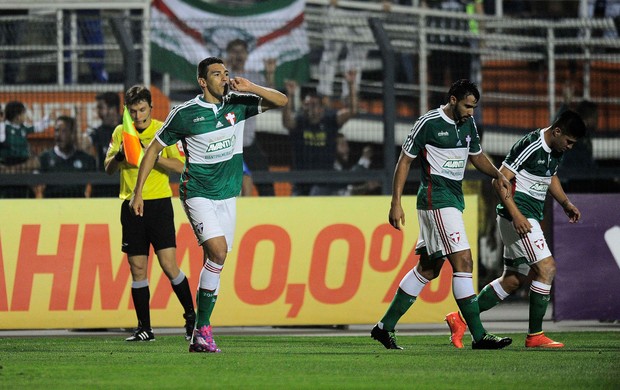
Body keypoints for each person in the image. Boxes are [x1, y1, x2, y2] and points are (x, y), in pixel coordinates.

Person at [129, 57, 287, 353]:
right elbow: (153, 150)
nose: (224, 78)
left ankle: (199, 331)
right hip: (198, 192)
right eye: (217, 74)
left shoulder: (238, 103)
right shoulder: (185, 114)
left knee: (217, 260)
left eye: (225, 73)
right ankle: (202, 329)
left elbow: (282, 100)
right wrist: (138, 191)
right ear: (202, 81)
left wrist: (251, 86)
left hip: (227, 195)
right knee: (216, 250)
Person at [371, 79, 513, 350]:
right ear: (452, 100)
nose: (472, 112)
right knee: (465, 262)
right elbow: (404, 162)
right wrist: (396, 203)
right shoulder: (428, 123)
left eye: (474, 107)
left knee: (428, 268)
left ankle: (383, 327)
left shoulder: (468, 124)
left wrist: (497, 174)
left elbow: (477, 156)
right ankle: (479, 336)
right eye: (468, 106)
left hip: (452, 199)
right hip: (436, 199)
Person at [445, 110, 587, 349]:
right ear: (557, 131)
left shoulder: (556, 150)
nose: (570, 147)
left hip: (522, 217)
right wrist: (518, 215)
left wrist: (565, 203)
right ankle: (535, 336)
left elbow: (550, 176)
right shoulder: (531, 145)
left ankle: (460, 319)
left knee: (513, 280)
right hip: (519, 217)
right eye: (569, 141)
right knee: (547, 268)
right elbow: (499, 180)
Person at [104, 85, 196, 342]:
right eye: (133, 111)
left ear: (150, 108)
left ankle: (191, 317)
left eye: (142, 110)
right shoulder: (121, 132)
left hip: (158, 204)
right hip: (131, 205)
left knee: (169, 265)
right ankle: (145, 328)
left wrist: (151, 156)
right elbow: (108, 168)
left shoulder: (162, 130)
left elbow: (180, 166)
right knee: (137, 267)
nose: (137, 116)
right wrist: (121, 156)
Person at [282, 70, 358, 196]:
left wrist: (351, 84)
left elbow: (353, 111)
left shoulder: (330, 120)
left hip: (323, 180)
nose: (309, 108)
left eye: (313, 105)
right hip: (301, 180)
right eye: (306, 105)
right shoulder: (300, 121)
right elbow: (286, 122)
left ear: (321, 108)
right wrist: (289, 95)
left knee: (314, 195)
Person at [225, 38, 276, 196]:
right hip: (228, 142)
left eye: (242, 51)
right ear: (228, 55)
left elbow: (272, 98)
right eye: (234, 51)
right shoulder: (223, 78)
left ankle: (270, 212)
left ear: (247, 55)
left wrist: (270, 75)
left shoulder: (255, 78)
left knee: (266, 184)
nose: (238, 55)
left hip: (248, 142)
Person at [34, 116, 96, 198]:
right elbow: (37, 187)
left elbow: (93, 186)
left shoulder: (86, 159)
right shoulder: (45, 158)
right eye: (56, 130)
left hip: (78, 205)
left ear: (72, 134)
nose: (58, 135)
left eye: (64, 131)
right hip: (52, 205)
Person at [84, 92, 122, 197]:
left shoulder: (129, 127)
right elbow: (83, 145)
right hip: (102, 187)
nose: (98, 112)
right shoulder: (98, 132)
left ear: (113, 109)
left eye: (101, 108)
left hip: (124, 186)